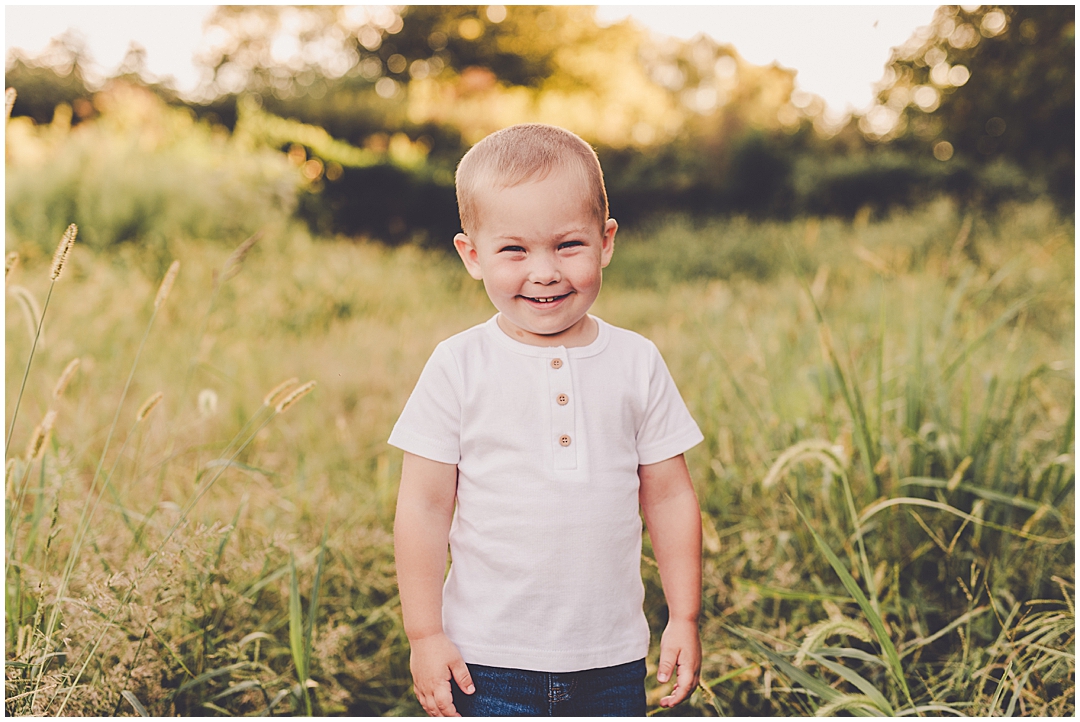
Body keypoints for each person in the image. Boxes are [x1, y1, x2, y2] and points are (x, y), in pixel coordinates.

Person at [390, 123, 704, 717]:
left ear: (605, 242)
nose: (544, 271)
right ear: (472, 256)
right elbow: (424, 509)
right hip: (486, 663)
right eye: (514, 249)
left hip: (610, 663)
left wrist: (683, 616)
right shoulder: (459, 365)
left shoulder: (635, 361)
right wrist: (425, 635)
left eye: (568, 245)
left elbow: (668, 496)